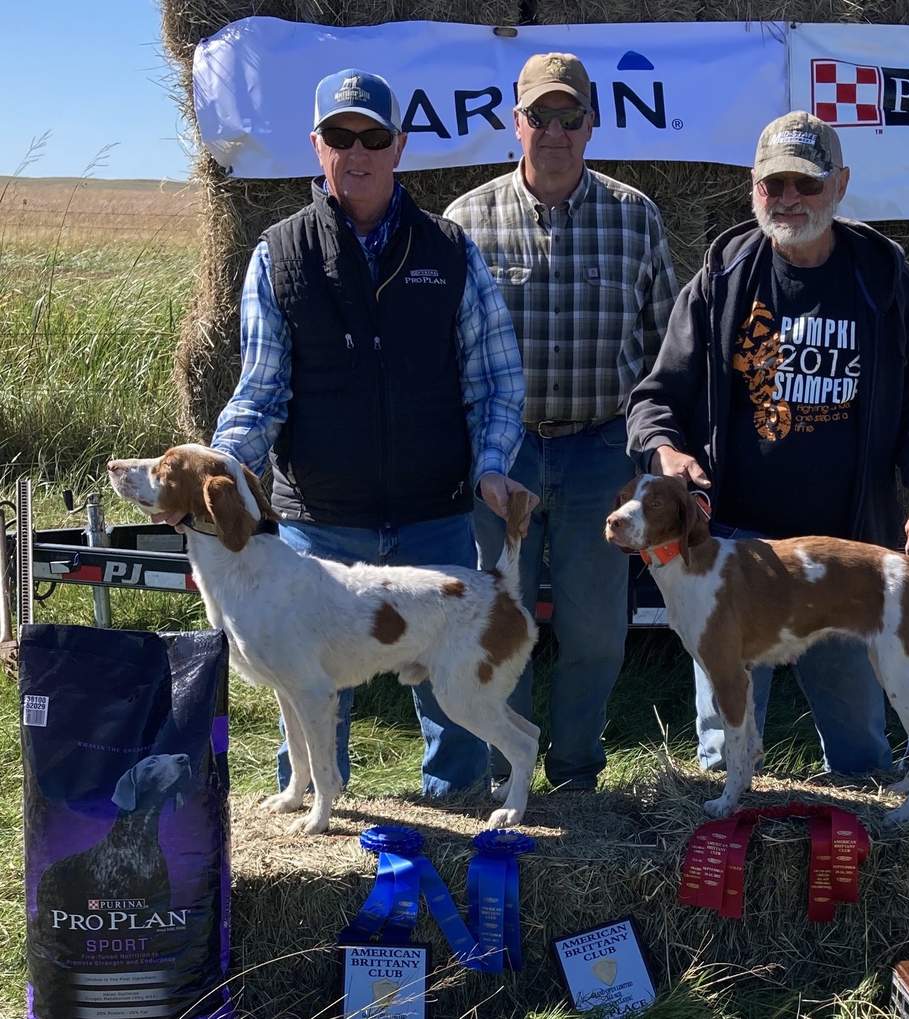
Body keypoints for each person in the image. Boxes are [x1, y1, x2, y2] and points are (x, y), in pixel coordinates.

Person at [211, 68, 529, 799]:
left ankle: (461, 836)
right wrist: (224, 468)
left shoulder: (451, 252)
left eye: (373, 137)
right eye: (340, 136)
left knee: (456, 718)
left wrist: (489, 467)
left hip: (436, 517)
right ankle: (317, 821)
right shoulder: (277, 255)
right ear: (316, 146)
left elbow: (497, 380)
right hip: (319, 529)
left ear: (400, 147)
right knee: (307, 694)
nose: (357, 152)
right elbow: (261, 392)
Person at [626, 110, 909, 776]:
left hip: (846, 553)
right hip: (735, 557)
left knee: (862, 751)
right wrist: (666, 451)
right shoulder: (722, 279)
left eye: (805, 185)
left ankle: (864, 859)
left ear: (840, 185)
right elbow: (655, 397)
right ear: (753, 187)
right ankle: (727, 855)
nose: (787, 200)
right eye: (773, 184)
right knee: (726, 751)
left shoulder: (884, 280)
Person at [444, 53, 677, 791]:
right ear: (516, 124)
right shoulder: (466, 221)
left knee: (596, 629)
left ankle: (576, 770)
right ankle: (496, 771)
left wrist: (649, 456)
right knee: (491, 624)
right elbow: (448, 352)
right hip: (500, 455)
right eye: (538, 116)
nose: (554, 131)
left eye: (568, 117)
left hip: (600, 452)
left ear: (591, 125)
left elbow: (661, 347)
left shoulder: (635, 216)